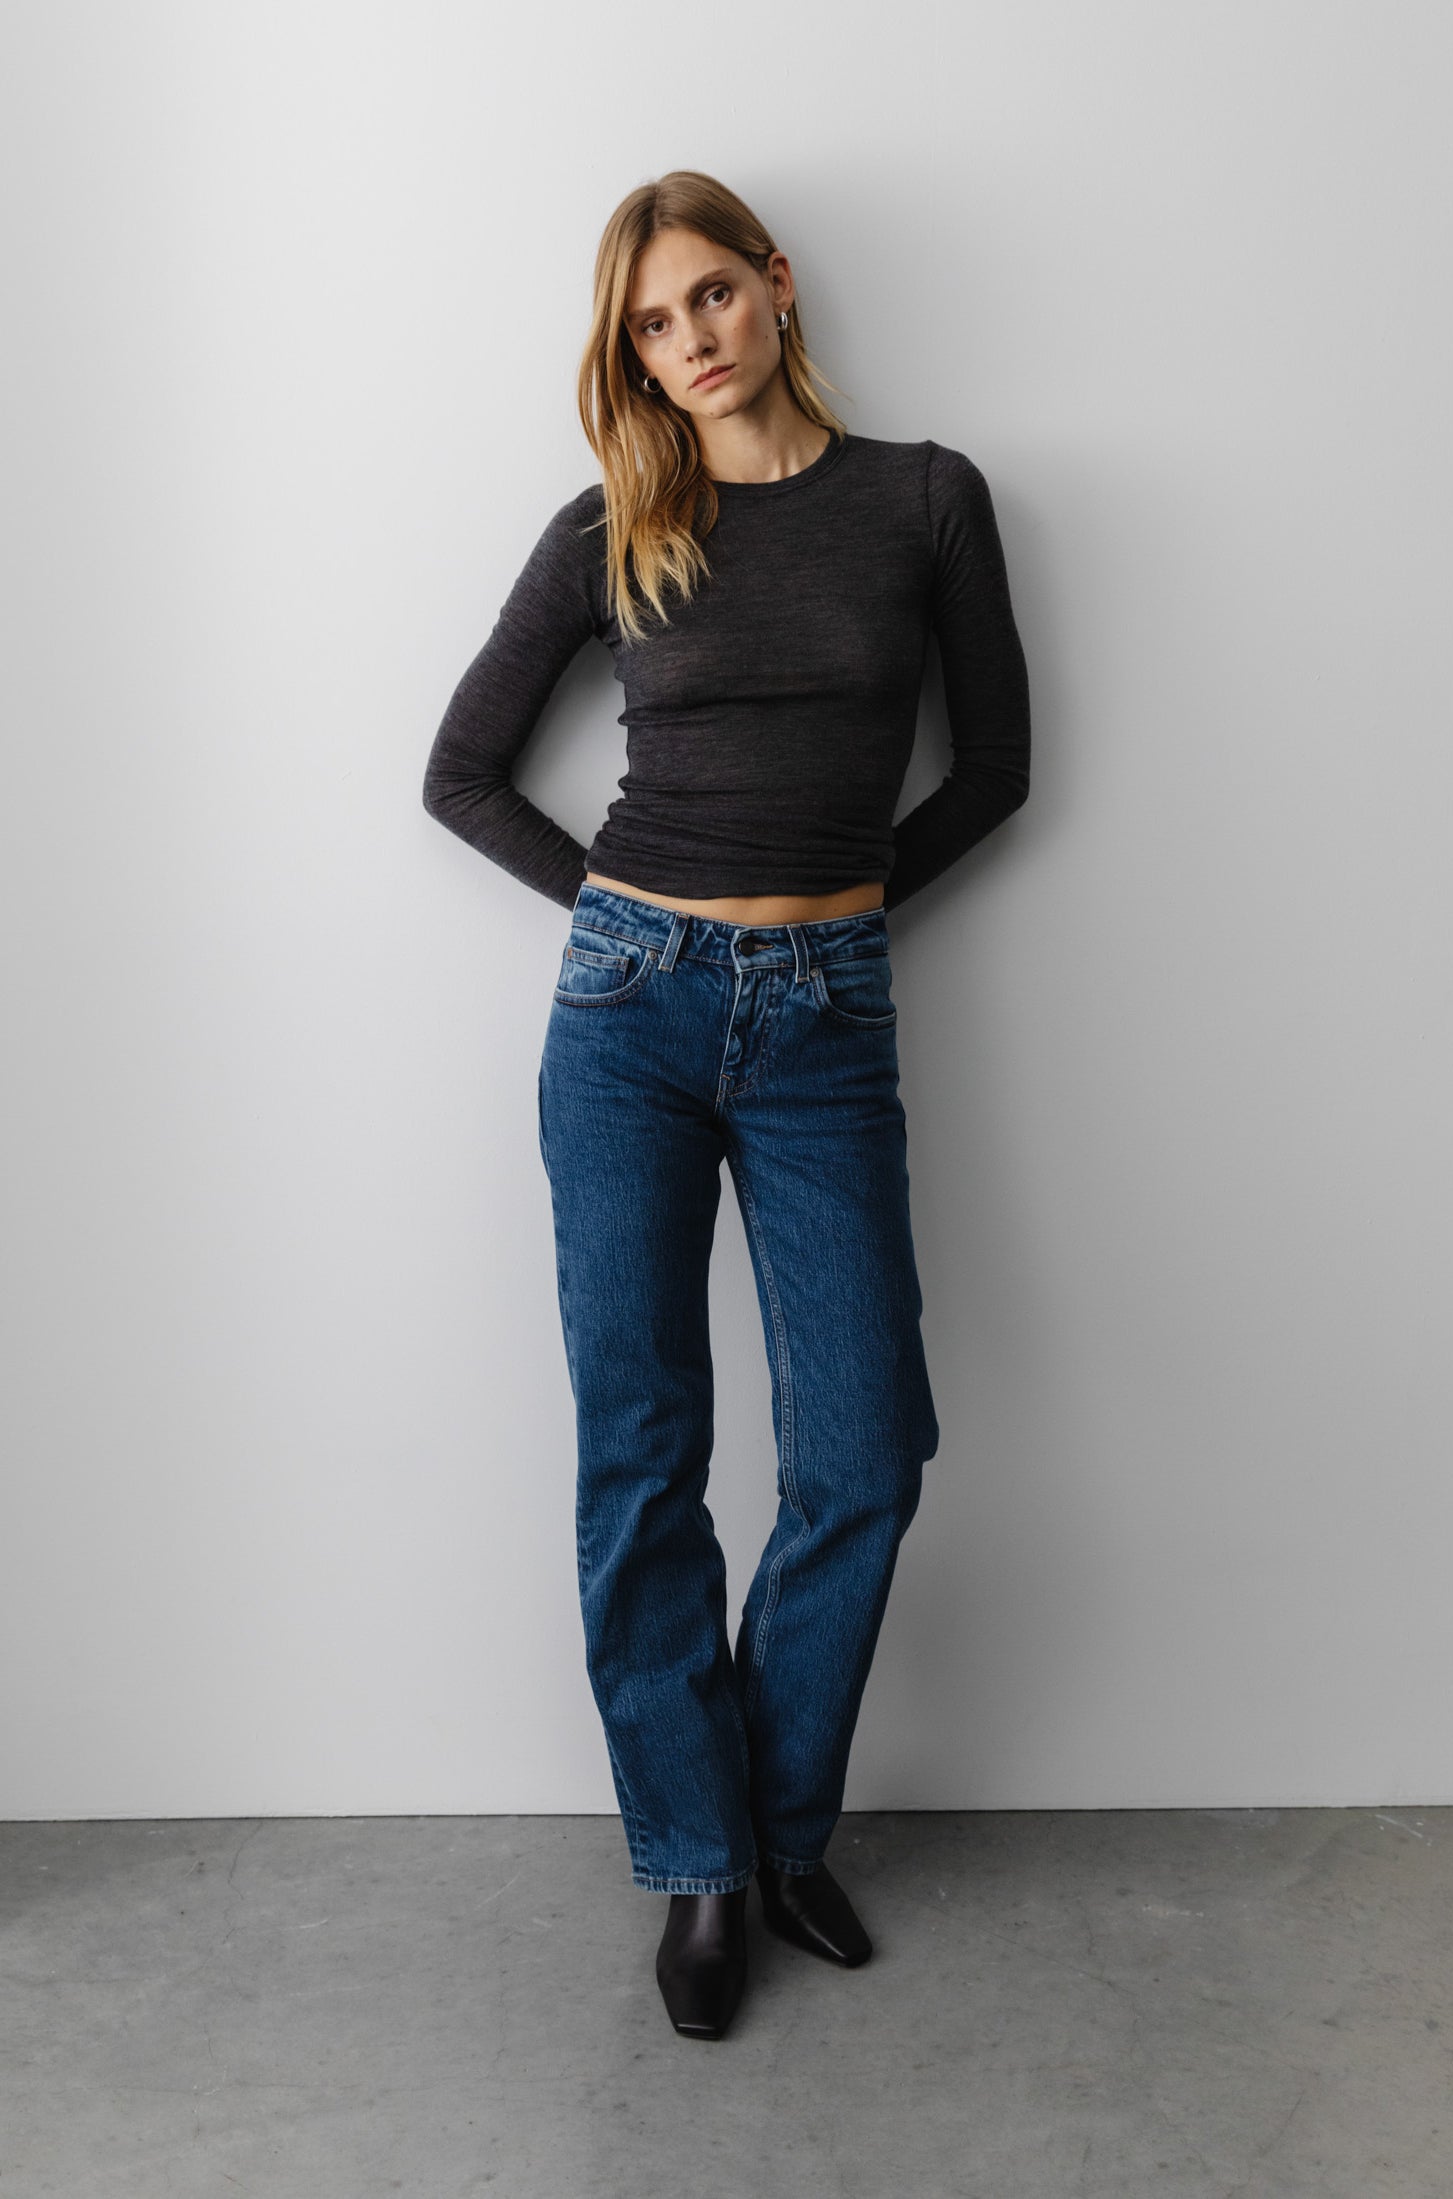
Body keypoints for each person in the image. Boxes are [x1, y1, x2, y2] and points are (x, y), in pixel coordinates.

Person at [422, 169, 1031, 2042]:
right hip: (624, 1017)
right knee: (642, 1451)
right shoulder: (610, 525)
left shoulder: (926, 498)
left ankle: (776, 1827)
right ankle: (696, 1865)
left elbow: (995, 769)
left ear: (772, 286)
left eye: (706, 296)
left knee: (862, 1451)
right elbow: (461, 774)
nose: (686, 342)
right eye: (648, 325)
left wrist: (826, 923)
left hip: (826, 1016)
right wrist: (634, 922)